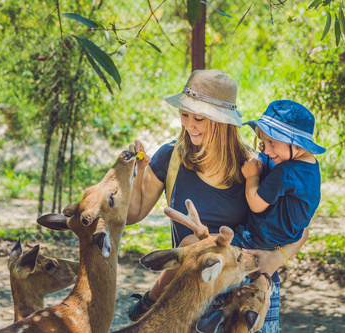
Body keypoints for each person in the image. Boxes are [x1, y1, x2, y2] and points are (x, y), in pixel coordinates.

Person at [126, 69, 308, 332]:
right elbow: (133, 214)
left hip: (246, 297)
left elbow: (302, 229)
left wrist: (277, 258)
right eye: (184, 114)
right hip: (189, 295)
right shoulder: (171, 157)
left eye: (199, 117)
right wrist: (138, 170)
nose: (189, 125)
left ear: (222, 121)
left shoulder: (256, 167)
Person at [234, 99, 326, 253]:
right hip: (286, 239)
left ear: (297, 143)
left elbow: (256, 204)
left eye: (272, 142)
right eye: (263, 142)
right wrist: (271, 147)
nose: (267, 150)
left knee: (194, 244)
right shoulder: (310, 166)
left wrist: (252, 177)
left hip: (256, 241)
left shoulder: (285, 172)